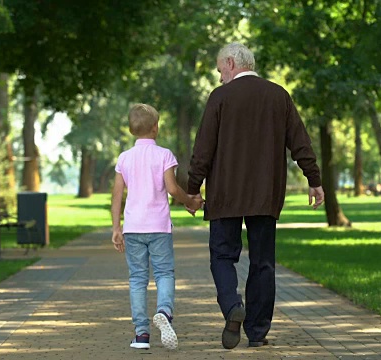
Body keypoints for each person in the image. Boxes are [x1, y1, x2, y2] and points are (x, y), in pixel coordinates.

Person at [187, 43, 325, 349]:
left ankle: (232, 306)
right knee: (263, 262)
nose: (219, 75)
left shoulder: (220, 97)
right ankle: (257, 332)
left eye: (220, 68)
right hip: (266, 194)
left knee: (223, 256)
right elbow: (300, 142)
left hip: (225, 195)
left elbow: (203, 149)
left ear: (232, 63)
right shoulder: (279, 96)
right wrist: (314, 180)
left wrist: (193, 189)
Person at [111, 103, 203, 350]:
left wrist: (116, 228)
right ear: (155, 128)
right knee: (164, 273)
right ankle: (164, 310)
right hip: (159, 227)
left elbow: (117, 195)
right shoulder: (164, 155)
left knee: (137, 278)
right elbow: (173, 189)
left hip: (133, 228)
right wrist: (190, 201)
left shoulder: (124, 159)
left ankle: (141, 334)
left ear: (132, 130)